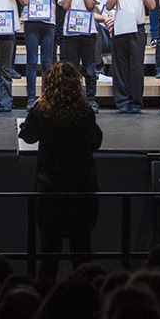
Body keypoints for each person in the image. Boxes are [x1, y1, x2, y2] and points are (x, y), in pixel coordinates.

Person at [18, 62, 103, 282]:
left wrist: (35, 105)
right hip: (81, 189)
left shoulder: (42, 110)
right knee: (82, 250)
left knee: (48, 254)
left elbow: (27, 136)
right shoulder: (84, 111)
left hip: (50, 189)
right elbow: (96, 142)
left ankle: (44, 302)